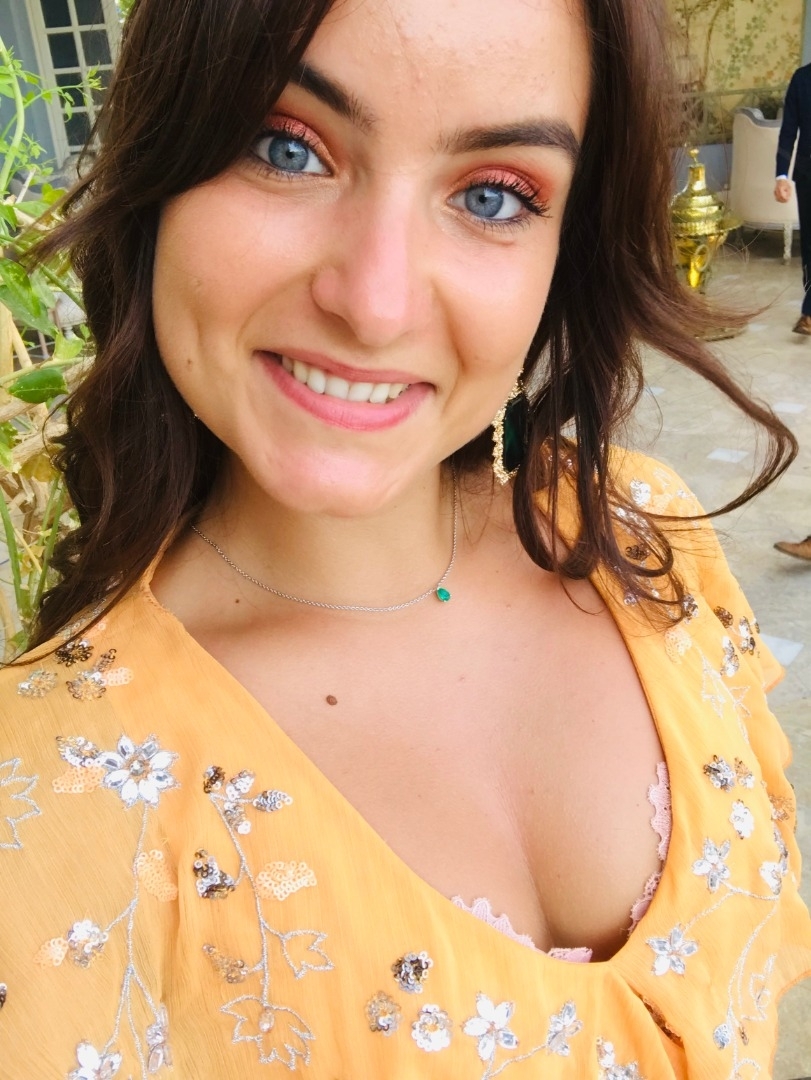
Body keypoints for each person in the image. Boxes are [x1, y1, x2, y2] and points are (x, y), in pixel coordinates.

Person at [1, 0, 810, 1076]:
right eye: (285, 147)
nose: (375, 304)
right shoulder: (45, 789)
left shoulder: (643, 535)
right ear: (160, 168)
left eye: (493, 195)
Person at [775, 60, 811, 334]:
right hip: (808, 174)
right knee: (810, 244)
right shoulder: (802, 79)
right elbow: (788, 131)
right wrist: (781, 175)